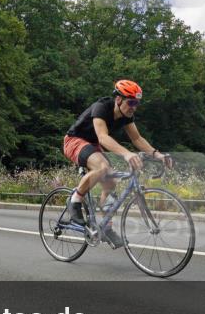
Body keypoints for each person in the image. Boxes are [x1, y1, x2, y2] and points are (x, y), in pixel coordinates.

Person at [62, 80, 172, 248]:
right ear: (119, 100)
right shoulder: (102, 107)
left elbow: (137, 139)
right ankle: (75, 200)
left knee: (111, 182)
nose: (134, 107)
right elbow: (103, 137)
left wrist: (157, 154)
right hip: (75, 140)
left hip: (92, 145)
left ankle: (106, 227)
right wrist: (127, 154)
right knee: (102, 167)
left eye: (137, 103)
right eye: (132, 102)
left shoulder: (127, 117)